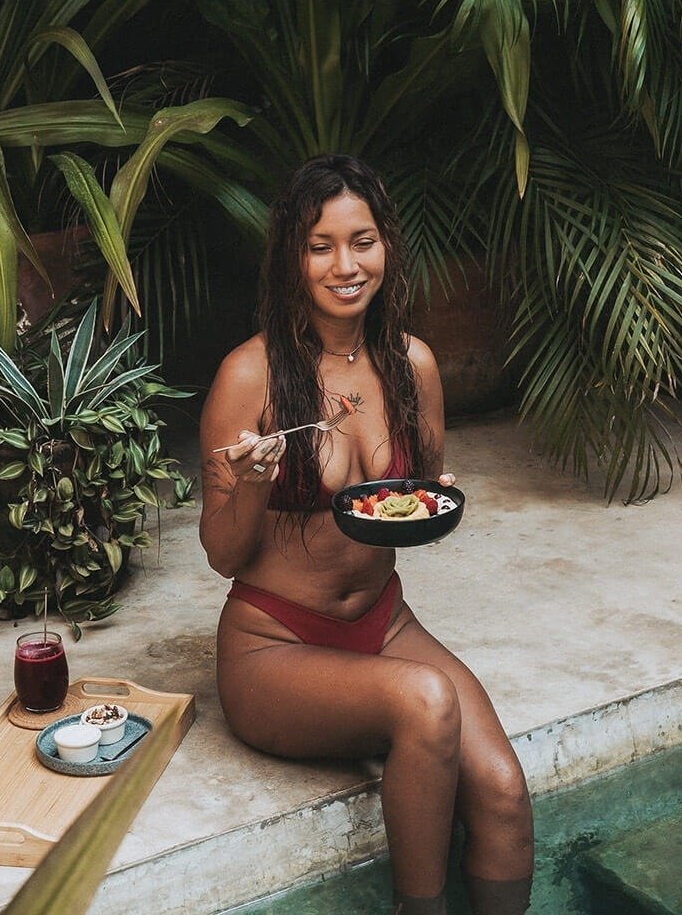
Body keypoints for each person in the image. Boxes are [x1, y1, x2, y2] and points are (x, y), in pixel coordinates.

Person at [198, 155, 534, 914]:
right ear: (292, 255)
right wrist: (254, 483)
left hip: (384, 625)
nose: (346, 265)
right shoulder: (249, 375)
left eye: (363, 240)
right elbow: (223, 554)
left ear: (387, 248)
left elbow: (420, 493)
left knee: (506, 795)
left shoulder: (413, 364)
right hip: (273, 644)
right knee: (425, 701)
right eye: (321, 245)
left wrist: (437, 502)